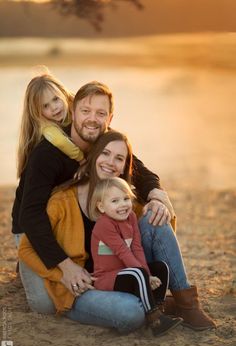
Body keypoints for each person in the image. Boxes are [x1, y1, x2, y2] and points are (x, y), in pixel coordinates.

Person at [18, 130, 215, 333]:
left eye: (119, 158)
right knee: (131, 313)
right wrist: (64, 273)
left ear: (124, 167)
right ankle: (158, 305)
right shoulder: (62, 202)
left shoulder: (126, 203)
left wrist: (158, 202)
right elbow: (26, 249)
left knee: (154, 216)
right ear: (93, 157)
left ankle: (187, 304)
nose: (111, 162)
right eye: (105, 153)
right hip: (82, 288)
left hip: (123, 276)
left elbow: (161, 238)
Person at [12, 76, 172, 296]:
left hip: (68, 217)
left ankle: (165, 290)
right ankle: (29, 266)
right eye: (45, 107)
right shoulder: (47, 151)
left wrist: (155, 192)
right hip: (31, 224)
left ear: (67, 101)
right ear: (39, 112)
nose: (54, 109)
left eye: (56, 100)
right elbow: (30, 215)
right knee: (45, 303)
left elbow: (136, 168)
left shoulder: (95, 129)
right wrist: (62, 263)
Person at [90, 177, 183, 336]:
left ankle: (159, 310)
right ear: (101, 206)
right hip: (106, 277)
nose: (123, 205)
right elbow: (123, 252)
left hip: (128, 271)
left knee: (160, 267)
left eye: (126, 198)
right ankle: (154, 319)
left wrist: (148, 273)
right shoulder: (103, 225)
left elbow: (136, 248)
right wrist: (145, 275)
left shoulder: (132, 217)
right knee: (138, 272)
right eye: (115, 201)